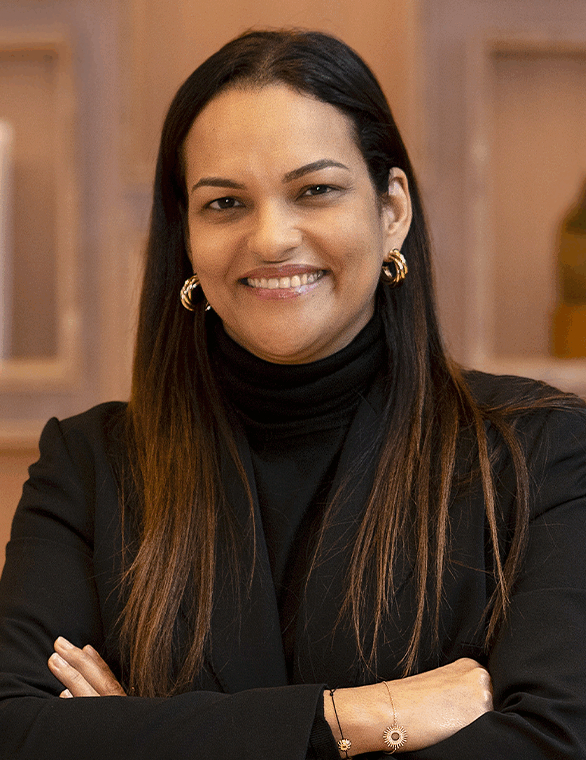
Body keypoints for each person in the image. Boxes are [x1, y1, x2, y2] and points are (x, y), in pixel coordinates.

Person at [1, 29, 585, 760]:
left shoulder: (542, 451)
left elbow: (554, 741)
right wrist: (360, 717)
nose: (272, 237)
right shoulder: (87, 467)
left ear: (392, 210)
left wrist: (136, 734)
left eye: (315, 190)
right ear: (185, 236)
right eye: (225, 203)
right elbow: (15, 732)